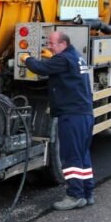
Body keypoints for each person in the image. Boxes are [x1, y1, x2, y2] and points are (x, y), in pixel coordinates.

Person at [23, 31, 94, 211]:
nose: (49, 46)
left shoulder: (63, 60)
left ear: (63, 44)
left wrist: (26, 58)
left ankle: (74, 196)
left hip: (72, 116)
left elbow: (40, 69)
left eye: (52, 43)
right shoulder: (75, 57)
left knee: (71, 156)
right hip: (84, 114)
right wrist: (52, 57)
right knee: (82, 155)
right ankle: (87, 193)